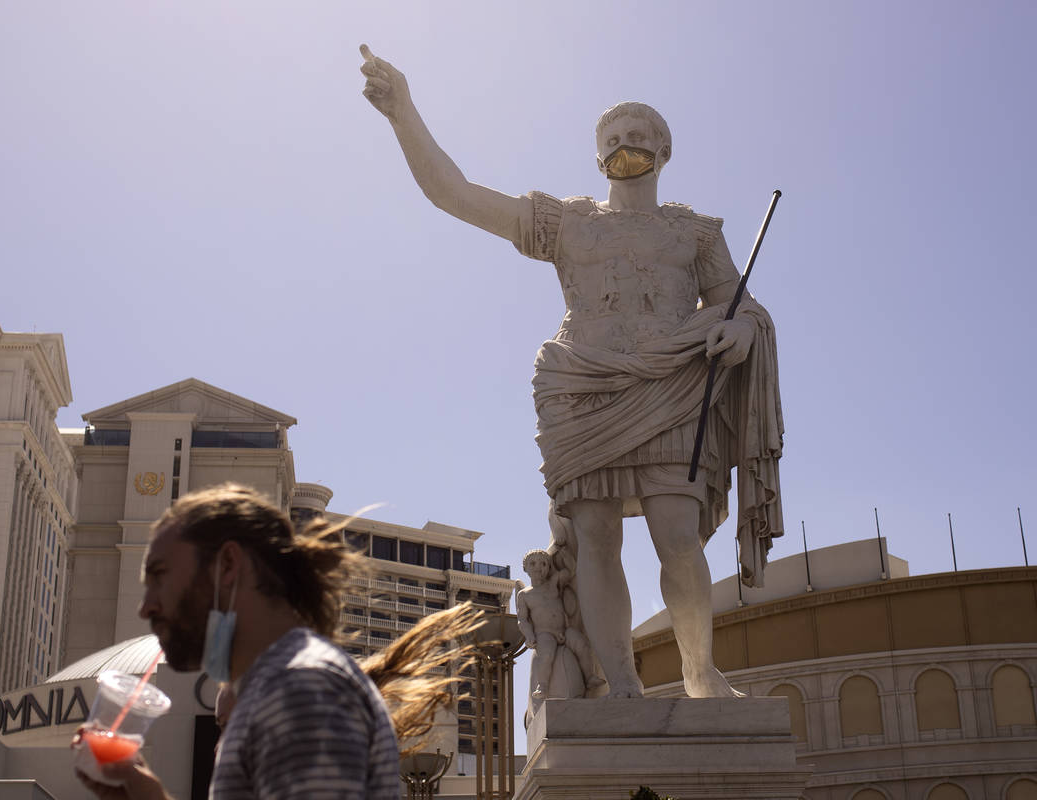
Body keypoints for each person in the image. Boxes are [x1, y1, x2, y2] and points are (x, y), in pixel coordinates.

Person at [360, 45, 784, 699]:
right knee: (595, 537)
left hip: (670, 386)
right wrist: (403, 112)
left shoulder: (696, 234)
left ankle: (699, 671)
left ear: (664, 151)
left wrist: (737, 326)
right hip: (580, 388)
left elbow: (737, 301)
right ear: (596, 154)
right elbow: (455, 194)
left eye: (640, 134)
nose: (627, 143)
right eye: (613, 136)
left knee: (678, 532)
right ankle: (623, 682)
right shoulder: (567, 222)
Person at [75, 483, 402, 800]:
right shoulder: (279, 688)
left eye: (160, 575)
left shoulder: (298, 689)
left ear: (228, 565)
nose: (145, 607)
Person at [516, 547, 603, 700]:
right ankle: (542, 686)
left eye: (543, 564)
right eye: (533, 564)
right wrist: (529, 636)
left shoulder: (553, 583)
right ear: (525, 568)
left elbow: (569, 572)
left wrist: (566, 555)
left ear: (549, 568)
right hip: (544, 633)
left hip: (563, 631)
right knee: (547, 655)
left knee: (581, 643)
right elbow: (522, 619)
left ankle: (589, 676)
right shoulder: (524, 595)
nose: (538, 567)